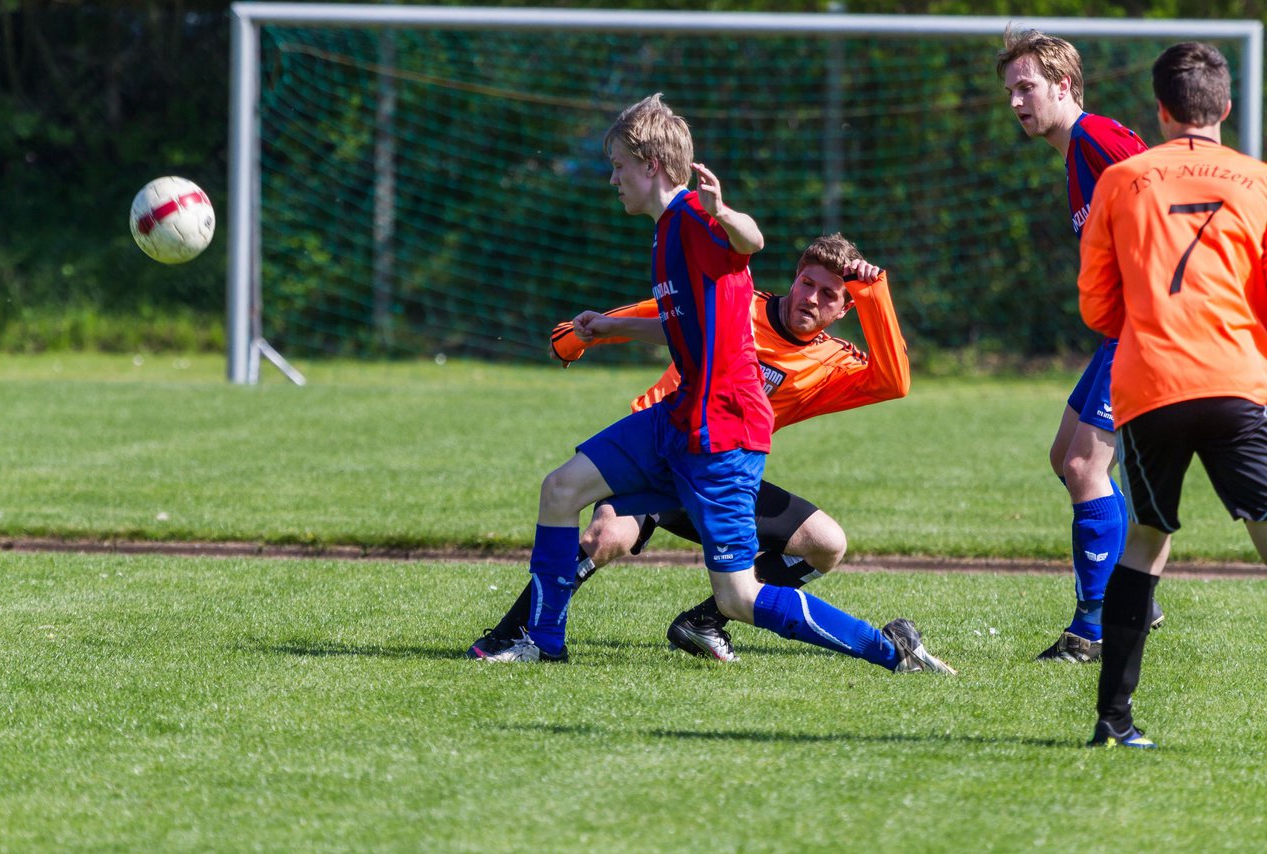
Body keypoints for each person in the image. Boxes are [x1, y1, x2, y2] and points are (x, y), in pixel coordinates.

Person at [475, 93, 953, 675]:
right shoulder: (665, 231)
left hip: (723, 436)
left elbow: (750, 239)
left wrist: (723, 212)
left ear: (651, 165)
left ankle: (890, 649)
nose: (612, 179)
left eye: (619, 166)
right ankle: (540, 640)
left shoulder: (695, 220)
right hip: (677, 418)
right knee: (560, 490)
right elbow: (683, 326)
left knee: (738, 598)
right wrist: (607, 327)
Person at [470, 232, 916, 664]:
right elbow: (662, 314)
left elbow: (893, 381)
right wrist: (576, 337)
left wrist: (874, 292)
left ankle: (704, 622)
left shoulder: (834, 361)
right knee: (607, 537)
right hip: (658, 448)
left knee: (826, 544)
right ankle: (516, 633)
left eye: (830, 295)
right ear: (794, 278)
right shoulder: (738, 303)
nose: (813, 298)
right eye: (808, 283)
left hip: (719, 471)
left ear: (845, 308)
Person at [1077, 41, 1267, 748]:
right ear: (1224, 107)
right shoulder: (1258, 181)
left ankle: (1113, 721)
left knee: (1148, 538)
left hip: (1150, 384)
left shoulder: (1122, 181)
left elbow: (1097, 307)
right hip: (1233, 380)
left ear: (1160, 111)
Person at [997, 27, 1161, 663]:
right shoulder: (1075, 156)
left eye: (1027, 87)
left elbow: (1159, 202)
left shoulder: (1097, 137)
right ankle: (1134, 598)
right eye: (1010, 90)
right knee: (1065, 454)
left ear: (1064, 85)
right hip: (1122, 329)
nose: (1015, 101)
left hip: (1147, 327)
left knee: (1084, 468)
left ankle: (1092, 629)